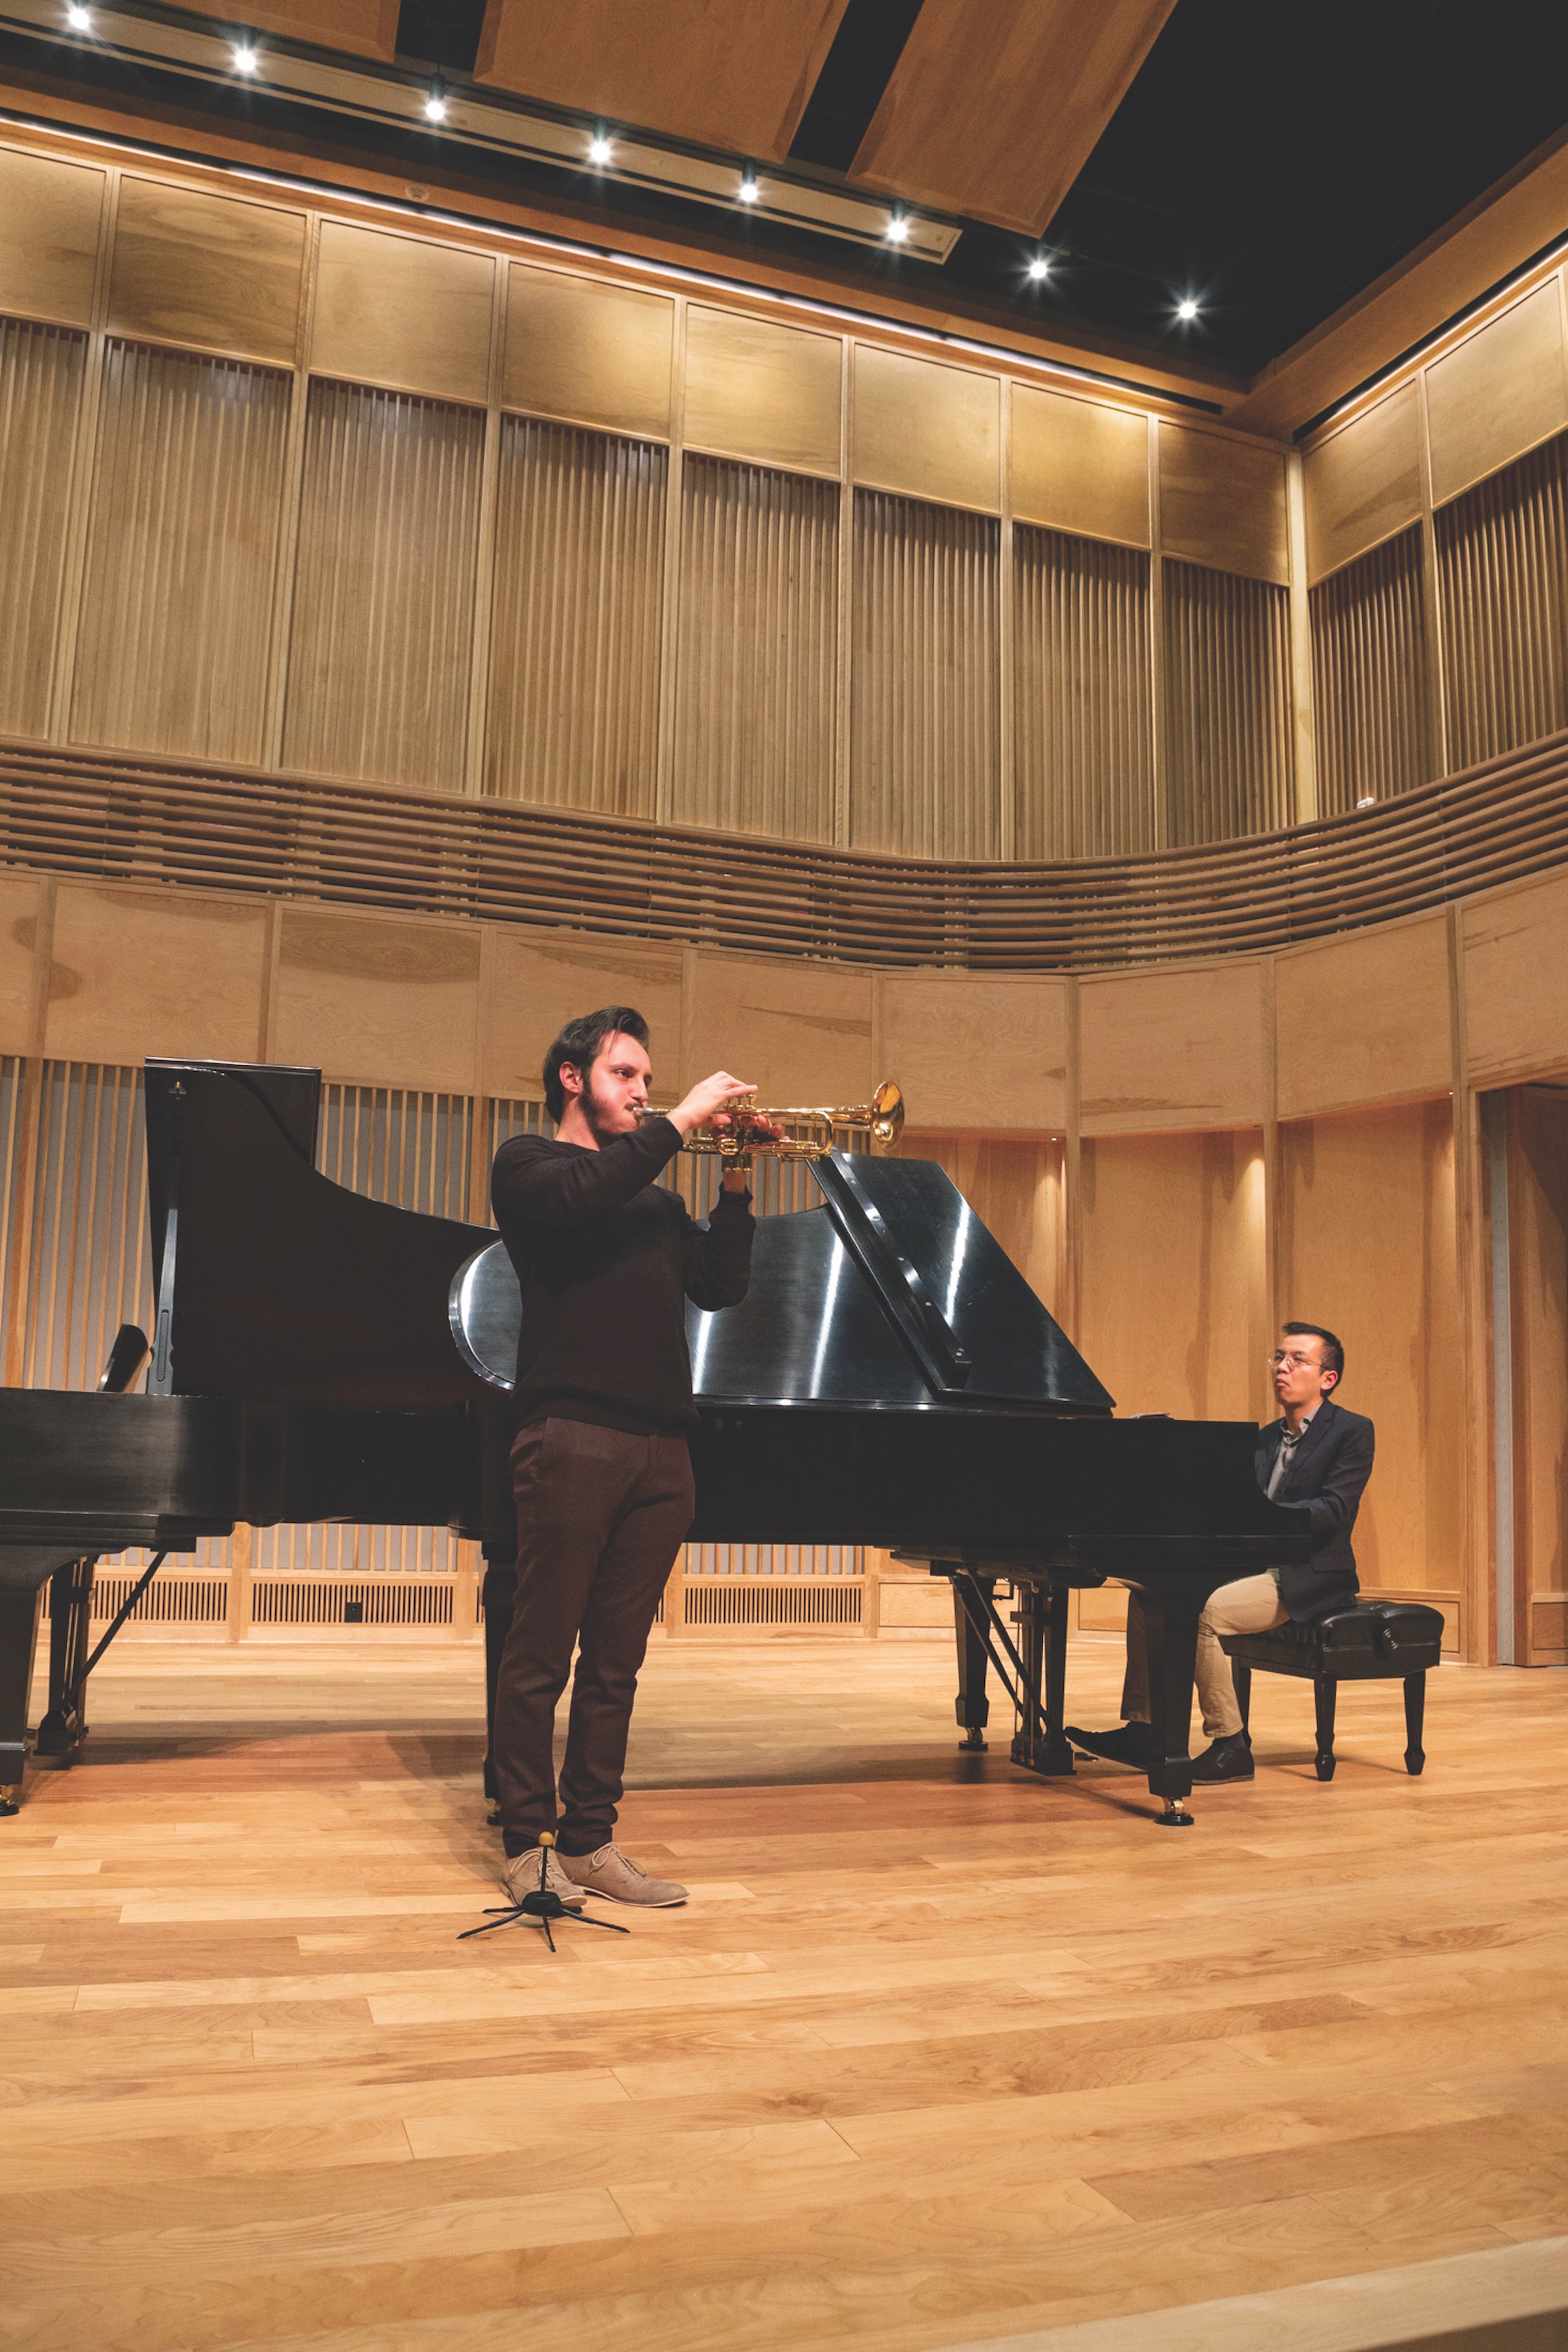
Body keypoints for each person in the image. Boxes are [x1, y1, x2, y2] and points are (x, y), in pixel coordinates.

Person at [488, 1005, 762, 1913]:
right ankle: (527, 1843)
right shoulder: (531, 1166)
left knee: (616, 1662)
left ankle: (590, 1840)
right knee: (539, 1654)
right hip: (570, 1437)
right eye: (625, 1075)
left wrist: (735, 1176)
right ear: (573, 1077)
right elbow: (584, 1196)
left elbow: (722, 1287)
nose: (642, 1091)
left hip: (661, 1450)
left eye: (648, 1079)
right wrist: (680, 1122)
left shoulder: (654, 1197)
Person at [1066, 1322, 1375, 1785]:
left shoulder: (1352, 1431)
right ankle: (1143, 1727)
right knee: (1148, 1594)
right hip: (1250, 1566)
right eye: (1278, 1357)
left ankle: (1231, 1744)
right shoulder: (1265, 1438)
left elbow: (1334, 1509)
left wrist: (1266, 1513)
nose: (1282, 1367)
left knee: (1203, 1612)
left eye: (1297, 1359)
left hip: (1307, 1573)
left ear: (1327, 1378)